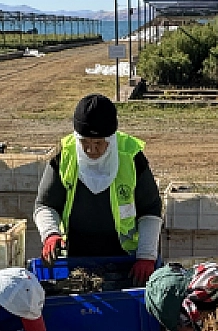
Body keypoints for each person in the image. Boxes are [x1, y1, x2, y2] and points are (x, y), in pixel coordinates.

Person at [34, 93, 162, 283]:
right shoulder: (64, 154)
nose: (91, 150)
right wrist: (50, 234)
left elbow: (150, 210)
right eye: (84, 143)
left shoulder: (131, 156)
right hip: (75, 255)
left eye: (98, 144)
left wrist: (146, 255)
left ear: (110, 140)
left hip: (123, 257)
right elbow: (45, 205)